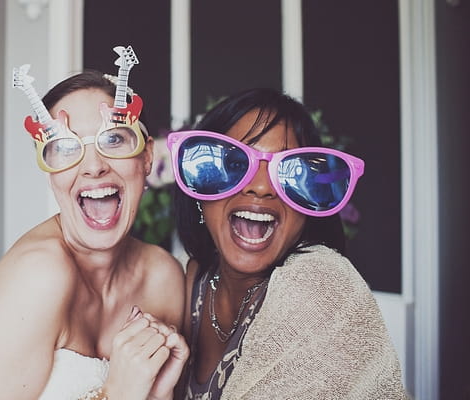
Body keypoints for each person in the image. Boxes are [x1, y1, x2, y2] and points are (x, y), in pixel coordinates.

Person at [0, 48, 188, 400]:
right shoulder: (39, 274)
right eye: (66, 147)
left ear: (146, 158)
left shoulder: (164, 278)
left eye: (114, 139)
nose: (93, 166)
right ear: (50, 169)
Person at [168, 88, 409, 399]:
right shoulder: (190, 281)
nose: (260, 187)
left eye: (289, 173)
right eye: (234, 164)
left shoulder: (321, 287)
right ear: (201, 191)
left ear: (308, 205)